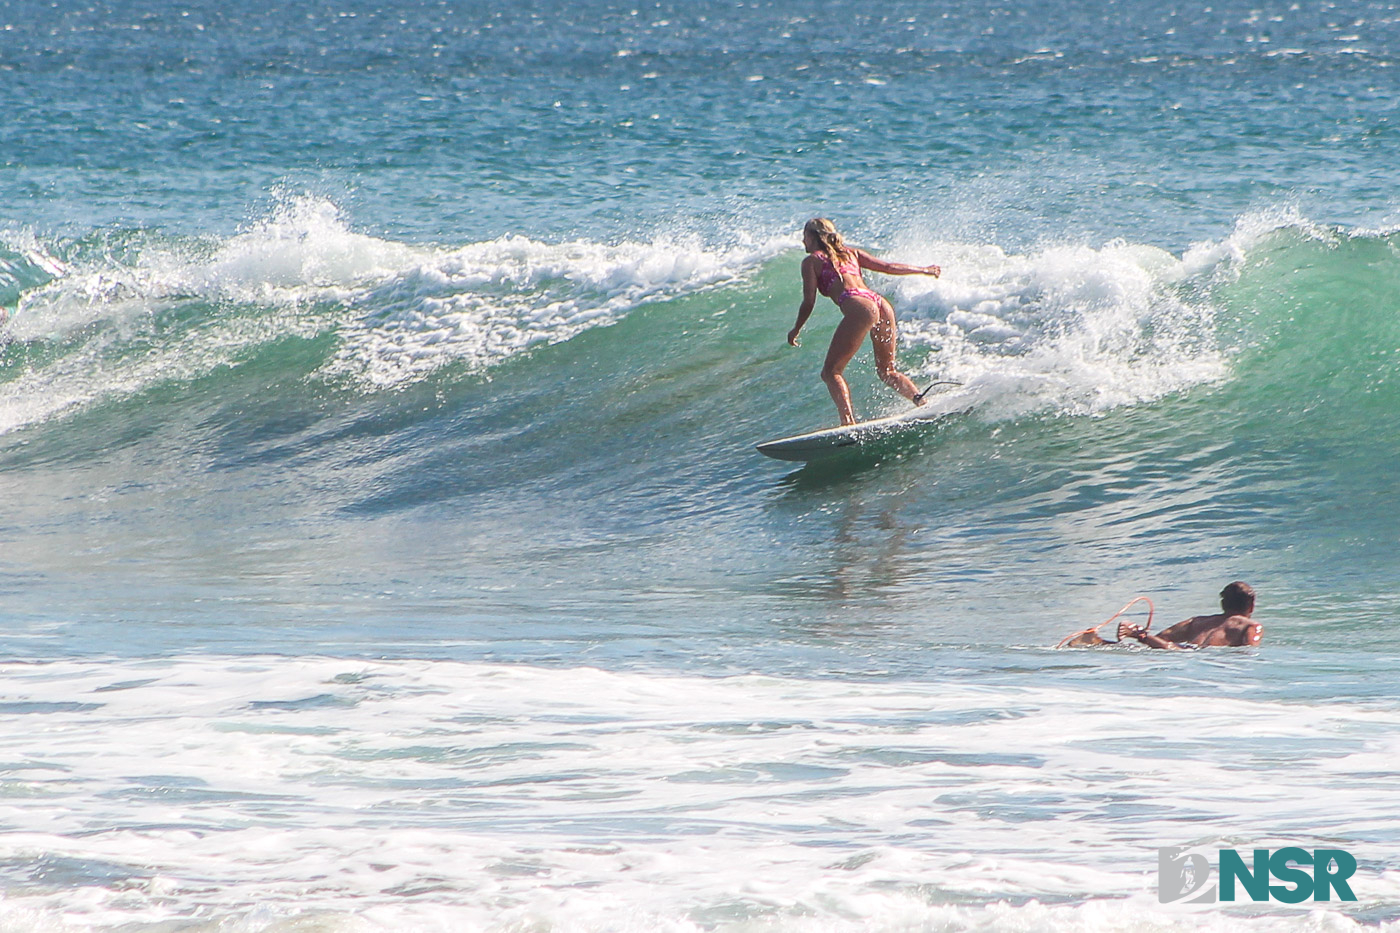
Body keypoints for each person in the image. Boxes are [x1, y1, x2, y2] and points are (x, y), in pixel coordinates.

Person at [788, 218, 941, 426]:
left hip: (861, 308)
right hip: (880, 304)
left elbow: (808, 302)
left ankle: (848, 423)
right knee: (887, 371)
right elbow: (888, 267)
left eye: (804, 235)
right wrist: (923, 269)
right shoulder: (851, 253)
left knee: (831, 372)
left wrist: (796, 329)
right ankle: (922, 402)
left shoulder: (811, 262)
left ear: (814, 237)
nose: (802, 240)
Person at [1118, 581, 1263, 649]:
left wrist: (1146, 638)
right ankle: (1139, 635)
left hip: (1188, 654)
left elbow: (1162, 637)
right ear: (1251, 606)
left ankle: (1139, 634)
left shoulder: (1197, 621)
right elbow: (1249, 652)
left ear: (1223, 604)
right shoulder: (1252, 626)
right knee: (1172, 648)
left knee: (1169, 646)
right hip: (1212, 661)